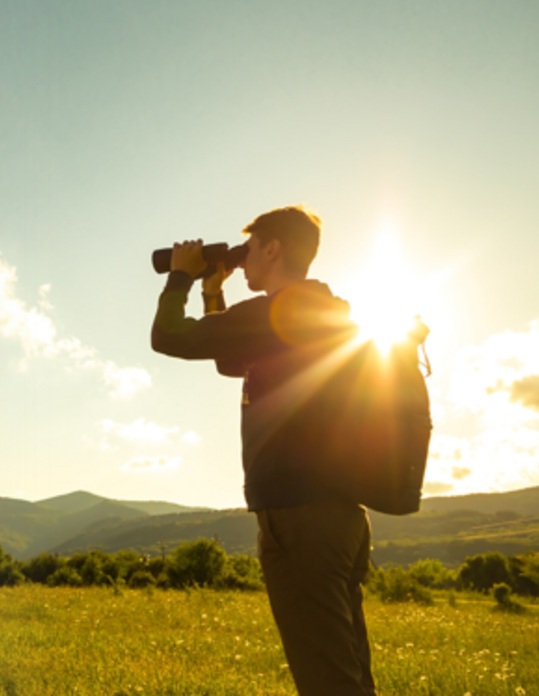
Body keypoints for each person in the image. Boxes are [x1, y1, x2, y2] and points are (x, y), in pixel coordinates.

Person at [151, 205, 376, 696]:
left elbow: (167, 337)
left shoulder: (275, 312)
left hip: (298, 517)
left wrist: (181, 277)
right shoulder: (317, 314)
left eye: (249, 249)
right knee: (349, 673)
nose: (243, 258)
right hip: (340, 516)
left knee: (326, 681)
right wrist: (214, 291)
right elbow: (230, 361)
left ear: (272, 249)